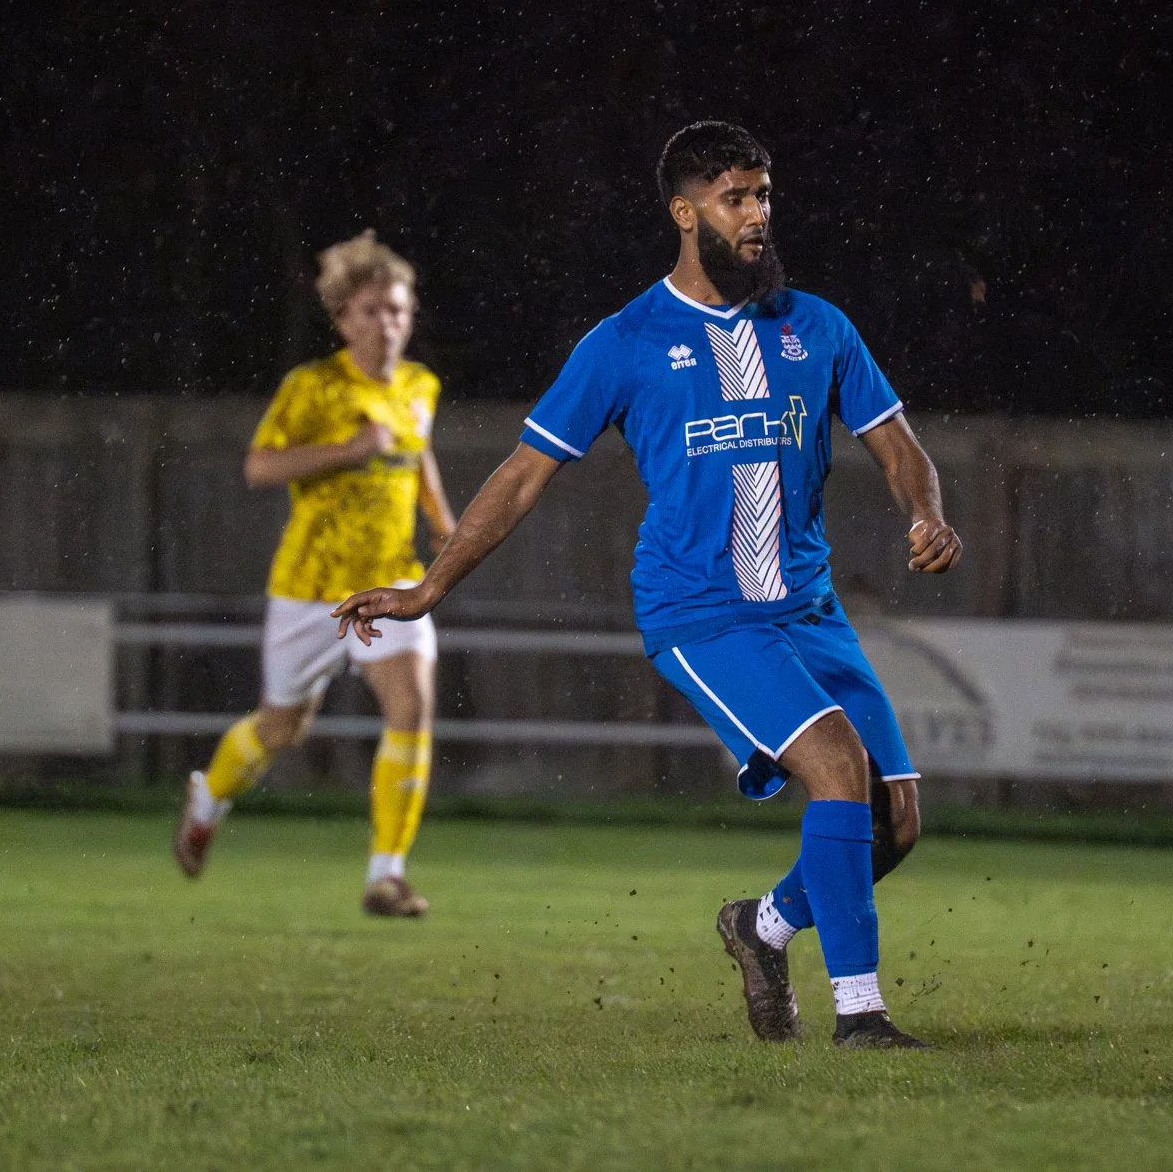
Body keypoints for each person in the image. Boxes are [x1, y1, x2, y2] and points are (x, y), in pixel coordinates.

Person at [332, 122, 961, 1049]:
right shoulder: (625, 342)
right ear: (684, 212)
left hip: (808, 607)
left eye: (765, 195)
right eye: (736, 198)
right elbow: (522, 474)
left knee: (894, 824)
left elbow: (898, 445)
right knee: (836, 765)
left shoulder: (815, 325)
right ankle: (860, 1013)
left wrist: (923, 513)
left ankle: (765, 925)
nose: (757, 215)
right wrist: (429, 588)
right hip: (701, 613)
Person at [173, 231, 458, 918]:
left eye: (396, 308)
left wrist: (447, 525)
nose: (384, 322)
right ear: (342, 319)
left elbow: (417, 456)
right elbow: (259, 466)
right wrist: (348, 449)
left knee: (411, 707)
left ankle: (386, 874)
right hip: (310, 588)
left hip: (390, 582)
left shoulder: (420, 386)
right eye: (368, 311)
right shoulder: (314, 387)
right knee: (281, 731)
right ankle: (208, 797)